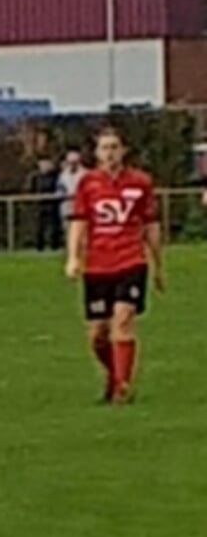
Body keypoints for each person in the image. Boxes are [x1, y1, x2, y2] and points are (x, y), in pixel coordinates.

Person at [65, 127, 164, 404]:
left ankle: (123, 387)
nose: (110, 153)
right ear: (97, 154)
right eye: (105, 148)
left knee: (123, 320)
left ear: (123, 151)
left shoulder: (141, 182)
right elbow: (79, 222)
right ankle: (113, 374)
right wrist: (73, 257)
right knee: (98, 335)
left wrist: (158, 265)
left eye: (114, 147)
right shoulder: (88, 184)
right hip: (97, 266)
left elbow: (151, 225)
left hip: (131, 260)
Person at [30, 156, 63, 252]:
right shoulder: (35, 177)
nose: (45, 166)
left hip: (53, 205)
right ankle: (39, 246)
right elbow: (31, 189)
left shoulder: (56, 176)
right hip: (40, 205)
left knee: (54, 226)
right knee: (40, 227)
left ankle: (54, 246)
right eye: (42, 164)